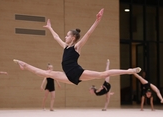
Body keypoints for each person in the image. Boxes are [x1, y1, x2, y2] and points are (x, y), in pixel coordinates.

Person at [13, 8, 141, 85]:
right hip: (68, 75)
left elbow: (89, 34)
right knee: (46, 73)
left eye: (67, 36)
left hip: (77, 72)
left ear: (73, 38)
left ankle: (129, 71)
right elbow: (56, 37)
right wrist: (50, 28)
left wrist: (97, 21)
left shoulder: (76, 47)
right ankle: (24, 64)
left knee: (103, 74)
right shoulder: (65, 46)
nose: (65, 37)